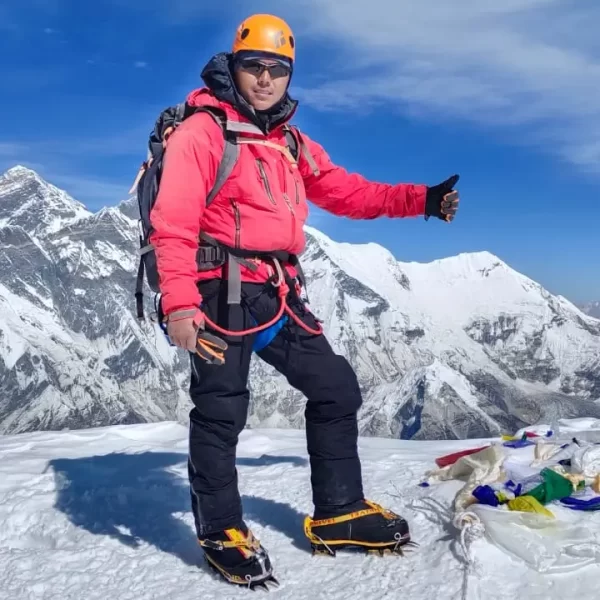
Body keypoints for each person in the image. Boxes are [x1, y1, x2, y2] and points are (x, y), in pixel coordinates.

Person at [149, 13, 460, 588]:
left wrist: (420, 199)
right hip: (223, 292)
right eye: (254, 66)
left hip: (277, 291)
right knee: (221, 411)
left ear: (289, 75)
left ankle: (339, 511)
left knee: (335, 386)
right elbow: (173, 222)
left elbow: (347, 190)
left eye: (277, 69)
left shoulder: (288, 141)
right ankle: (221, 529)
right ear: (233, 67)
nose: (265, 79)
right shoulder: (203, 133)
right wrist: (180, 306)